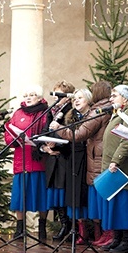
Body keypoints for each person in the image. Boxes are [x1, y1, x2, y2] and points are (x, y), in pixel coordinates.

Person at [51, 81, 112, 245]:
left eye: (80, 98)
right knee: (74, 197)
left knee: (86, 198)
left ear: (89, 99)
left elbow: (79, 135)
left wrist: (58, 129)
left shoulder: (94, 114)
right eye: (74, 98)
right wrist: (54, 146)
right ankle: (80, 231)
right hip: (73, 160)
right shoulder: (71, 116)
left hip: (87, 159)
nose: (76, 101)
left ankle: (97, 233)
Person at [100, 85, 128, 253]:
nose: (111, 99)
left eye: (114, 95)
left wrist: (116, 160)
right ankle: (117, 238)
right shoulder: (119, 113)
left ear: (125, 99)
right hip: (113, 167)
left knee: (124, 203)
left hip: (124, 167)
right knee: (115, 203)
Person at [4, 85, 49, 241]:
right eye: (26, 95)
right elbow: (8, 132)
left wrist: (36, 141)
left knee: (41, 196)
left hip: (38, 161)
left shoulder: (45, 113)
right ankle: (20, 229)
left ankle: (42, 227)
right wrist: (16, 140)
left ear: (39, 97)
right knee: (19, 197)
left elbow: (47, 131)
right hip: (21, 160)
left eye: (32, 95)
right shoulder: (18, 113)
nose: (28, 98)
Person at [42, 80, 75, 241]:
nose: (57, 98)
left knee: (63, 193)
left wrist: (57, 146)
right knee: (55, 194)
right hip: (51, 157)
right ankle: (63, 223)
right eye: (55, 94)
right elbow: (43, 131)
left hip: (64, 157)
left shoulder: (70, 111)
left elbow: (72, 135)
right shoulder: (51, 111)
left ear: (67, 97)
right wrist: (45, 147)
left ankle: (68, 226)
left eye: (60, 94)